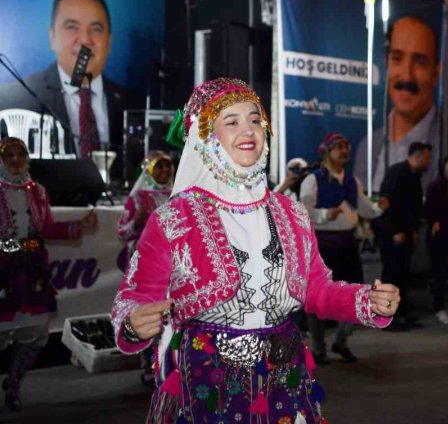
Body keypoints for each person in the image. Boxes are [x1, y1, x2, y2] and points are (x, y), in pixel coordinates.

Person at [110, 78, 399, 423]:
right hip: (206, 377)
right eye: (231, 121)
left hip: (283, 374)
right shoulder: (173, 218)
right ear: (205, 138)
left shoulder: (291, 213)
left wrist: (367, 301)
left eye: (255, 119)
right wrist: (131, 324)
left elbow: (316, 289)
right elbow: (135, 294)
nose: (248, 130)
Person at [0, 137, 96, 411]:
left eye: (21, 154)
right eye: (9, 155)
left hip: (32, 270)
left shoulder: (37, 190)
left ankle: (14, 383)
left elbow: (48, 229)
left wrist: (79, 226)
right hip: (2, 270)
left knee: (37, 332)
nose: (16, 160)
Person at [0, 0, 134, 166]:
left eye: (96, 28)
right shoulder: (16, 100)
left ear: (109, 41)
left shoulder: (132, 103)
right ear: (52, 36)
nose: (85, 39)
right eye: (72, 27)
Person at [299, 132, 387, 364]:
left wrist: (379, 208)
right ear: (328, 151)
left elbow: (365, 209)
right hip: (323, 246)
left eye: (347, 146)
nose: (345, 150)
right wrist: (324, 214)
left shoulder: (352, 181)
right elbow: (301, 212)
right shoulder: (313, 179)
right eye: (340, 146)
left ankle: (341, 341)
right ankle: (318, 348)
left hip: (347, 244)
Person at [353, 15, 441, 193]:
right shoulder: (368, 146)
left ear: (436, 73)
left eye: (420, 62)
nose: (407, 76)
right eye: (397, 59)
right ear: (386, 63)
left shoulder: (447, 142)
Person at [117, 150, 175, 386]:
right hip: (147, 266)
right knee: (147, 310)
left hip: (174, 265)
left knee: (169, 311)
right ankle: (148, 364)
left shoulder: (178, 193)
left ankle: (167, 361)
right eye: (158, 167)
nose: (163, 172)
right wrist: (138, 220)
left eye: (166, 167)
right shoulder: (138, 198)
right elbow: (122, 233)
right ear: (148, 170)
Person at [377, 142, 432, 328]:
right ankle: (386, 317)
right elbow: (385, 202)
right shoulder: (397, 172)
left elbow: (414, 206)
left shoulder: (415, 177)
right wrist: (395, 231)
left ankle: (401, 314)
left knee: (403, 275)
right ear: (416, 156)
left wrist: (414, 230)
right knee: (392, 274)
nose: (429, 162)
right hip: (392, 233)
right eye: (426, 157)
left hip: (407, 233)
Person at [423, 153, 448, 325]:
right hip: (439, 236)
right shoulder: (436, 185)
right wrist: (434, 221)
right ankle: (439, 307)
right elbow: (428, 209)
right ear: (443, 167)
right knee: (439, 272)